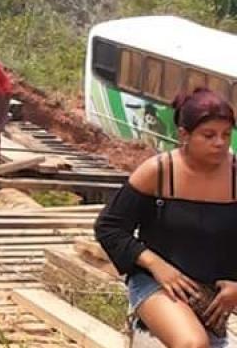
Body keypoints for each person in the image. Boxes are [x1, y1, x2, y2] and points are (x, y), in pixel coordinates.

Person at [95, 88, 237, 348]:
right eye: (209, 135)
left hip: (211, 295)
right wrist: (156, 265)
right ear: (184, 135)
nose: (220, 143)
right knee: (192, 343)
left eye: (226, 135)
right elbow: (110, 228)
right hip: (157, 283)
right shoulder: (158, 172)